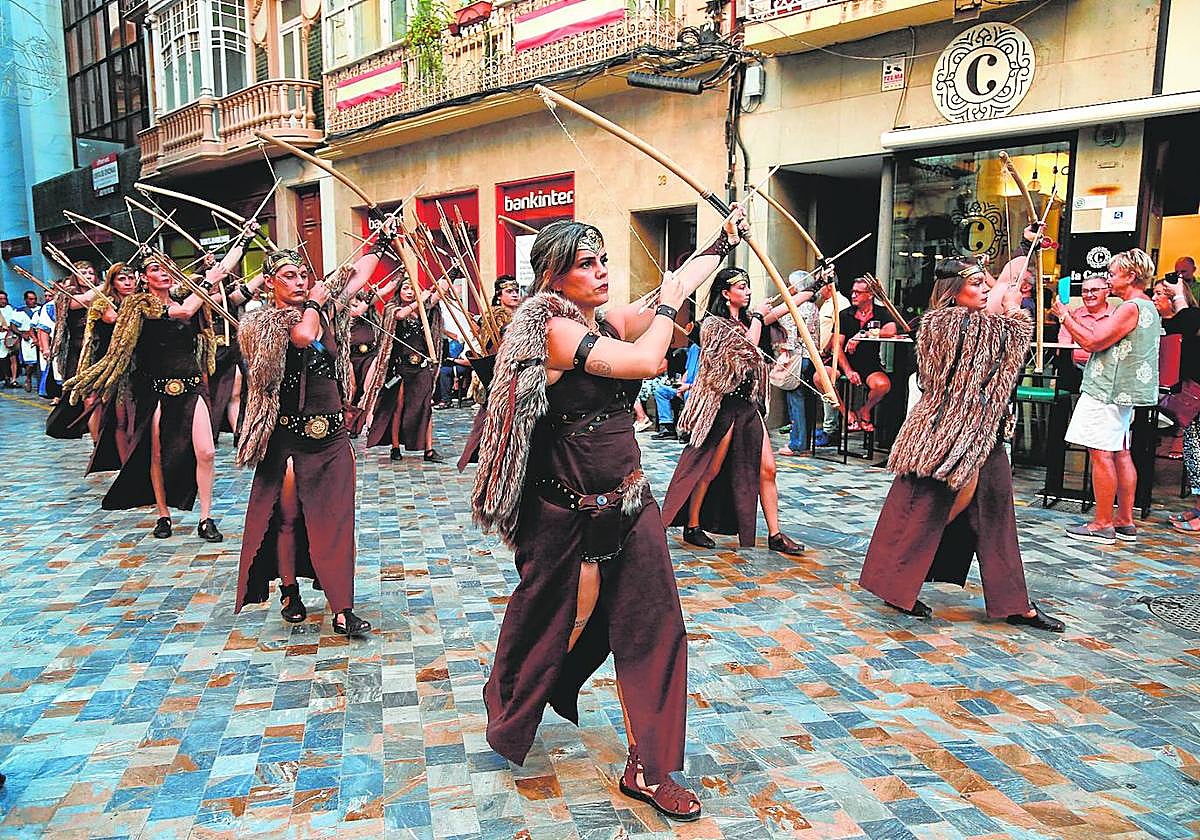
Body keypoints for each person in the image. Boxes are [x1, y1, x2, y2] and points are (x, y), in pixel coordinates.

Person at [473, 213, 748, 823]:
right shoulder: (547, 331)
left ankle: (650, 767)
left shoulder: (602, 320)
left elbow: (666, 290)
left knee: (656, 626)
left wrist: (720, 243)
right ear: (553, 273)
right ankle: (514, 699)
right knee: (554, 624)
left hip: (628, 503)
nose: (601, 272)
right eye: (585, 264)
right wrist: (676, 305)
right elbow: (649, 361)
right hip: (561, 515)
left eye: (602, 261)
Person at [859, 258, 1064, 631]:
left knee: (990, 510)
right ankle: (895, 581)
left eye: (985, 283)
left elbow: (1000, 302)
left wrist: (1021, 251)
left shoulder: (949, 322)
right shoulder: (957, 325)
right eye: (976, 285)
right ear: (954, 293)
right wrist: (1016, 311)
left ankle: (1013, 601)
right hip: (951, 432)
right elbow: (1007, 341)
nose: (985, 289)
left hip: (972, 431)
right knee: (929, 508)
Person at [65, 225, 257, 541]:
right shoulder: (138, 306)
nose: (165, 272)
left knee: (207, 451)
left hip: (191, 386)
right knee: (155, 453)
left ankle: (206, 518)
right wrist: (208, 283)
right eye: (156, 268)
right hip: (155, 389)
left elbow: (222, 270)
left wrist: (245, 239)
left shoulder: (186, 296)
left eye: (168, 267)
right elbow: (181, 312)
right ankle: (163, 514)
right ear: (144, 277)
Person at [234, 241, 387, 638]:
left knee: (338, 521)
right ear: (270, 283)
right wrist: (316, 302)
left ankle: (343, 608)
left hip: (332, 437)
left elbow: (355, 279)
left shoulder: (325, 310)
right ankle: (289, 590)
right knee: (287, 518)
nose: (300, 282)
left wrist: (381, 241)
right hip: (288, 438)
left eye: (304, 275)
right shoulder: (260, 323)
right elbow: (303, 336)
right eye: (289, 276)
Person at [660, 267, 806, 555]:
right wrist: (761, 318)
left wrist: (808, 291)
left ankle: (775, 535)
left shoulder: (750, 320)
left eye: (748, 286)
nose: (748, 291)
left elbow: (775, 314)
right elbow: (745, 346)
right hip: (722, 405)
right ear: (726, 293)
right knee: (710, 468)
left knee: (768, 468)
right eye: (742, 287)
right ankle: (692, 524)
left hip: (748, 405)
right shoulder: (714, 325)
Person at [1052, 249, 1160, 544]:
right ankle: (1124, 520)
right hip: (1123, 391)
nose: (1110, 278)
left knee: (1101, 453)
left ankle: (1102, 524)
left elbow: (1092, 342)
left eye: (1113, 273)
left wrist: (1064, 317)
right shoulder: (1148, 306)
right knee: (1121, 451)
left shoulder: (1129, 307)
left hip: (1108, 389)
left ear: (1131, 275)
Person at [359, 273, 446, 463]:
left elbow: (440, 291)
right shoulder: (392, 308)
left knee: (426, 407)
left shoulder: (424, 310)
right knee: (397, 407)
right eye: (405, 288)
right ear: (399, 291)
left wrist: (452, 272)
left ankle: (429, 450)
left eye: (411, 288)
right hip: (401, 368)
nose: (409, 292)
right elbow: (399, 315)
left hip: (421, 367)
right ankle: (396, 447)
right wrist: (419, 302)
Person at [80, 262, 140, 473]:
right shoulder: (105, 303)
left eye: (131, 278)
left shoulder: (141, 300)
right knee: (120, 418)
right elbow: (112, 318)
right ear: (113, 282)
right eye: (122, 279)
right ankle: (126, 468)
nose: (128, 282)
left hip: (141, 365)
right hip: (113, 368)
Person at [1152, 278, 1200, 533]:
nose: (1156, 297)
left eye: (1163, 293)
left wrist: (1178, 295)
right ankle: (1198, 508)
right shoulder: (1177, 322)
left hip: (1197, 390)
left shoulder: (1192, 318)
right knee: (1194, 452)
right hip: (1190, 391)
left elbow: (1188, 320)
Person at [835, 277, 897, 432]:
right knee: (820, 378)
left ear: (870, 295)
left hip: (869, 363)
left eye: (858, 292)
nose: (853, 295)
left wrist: (861, 335)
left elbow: (891, 331)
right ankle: (847, 414)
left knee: (883, 385)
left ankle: (865, 410)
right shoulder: (845, 314)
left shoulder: (881, 312)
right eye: (852, 292)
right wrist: (848, 370)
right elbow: (837, 346)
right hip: (844, 362)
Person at [774, 271, 822, 456]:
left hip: (796, 357)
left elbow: (789, 336)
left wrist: (782, 352)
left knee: (796, 401)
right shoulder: (813, 307)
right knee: (805, 401)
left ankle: (797, 444)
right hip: (810, 357)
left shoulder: (795, 306)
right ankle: (804, 443)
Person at [814, 278, 849, 446]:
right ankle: (829, 427)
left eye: (821, 286)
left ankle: (831, 429)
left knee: (828, 386)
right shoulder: (825, 303)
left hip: (831, 356)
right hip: (821, 356)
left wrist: (827, 349)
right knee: (824, 390)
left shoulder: (840, 302)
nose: (819, 291)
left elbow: (838, 330)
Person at [1068, 276, 1117, 369]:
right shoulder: (1073, 315)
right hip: (1076, 367)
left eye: (1094, 290)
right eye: (1085, 291)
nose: (1089, 295)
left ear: (1107, 292)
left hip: (1108, 367)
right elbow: (1063, 344)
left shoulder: (1117, 315)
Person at [0, 290, 18, 386]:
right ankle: (6, 377)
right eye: (1, 299)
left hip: (9, 336)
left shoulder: (10, 309)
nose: (3, 301)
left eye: (4, 298)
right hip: (0, 336)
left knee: (12, 357)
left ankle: (13, 379)